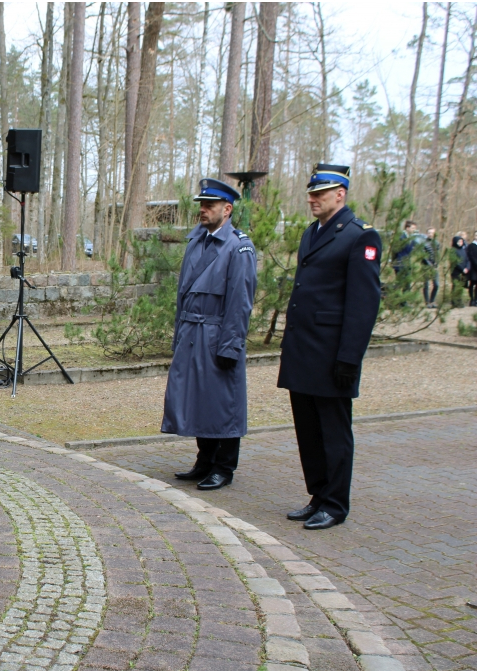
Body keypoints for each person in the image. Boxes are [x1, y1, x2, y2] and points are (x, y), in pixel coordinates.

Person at [277, 164, 382, 530]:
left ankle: (335, 504)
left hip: (332, 355)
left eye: (320, 193)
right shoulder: (312, 232)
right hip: (304, 351)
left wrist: (349, 358)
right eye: (311, 193)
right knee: (308, 431)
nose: (312, 199)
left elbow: (363, 305)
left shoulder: (359, 237)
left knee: (334, 433)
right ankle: (318, 495)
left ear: (341, 193)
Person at [163, 179, 257, 490]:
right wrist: (179, 335)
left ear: (227, 210)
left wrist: (230, 345)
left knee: (224, 403)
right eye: (201, 204)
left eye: (210, 205)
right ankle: (204, 460)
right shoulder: (197, 242)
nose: (203, 210)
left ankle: (224, 466)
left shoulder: (239, 247)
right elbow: (182, 296)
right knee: (199, 399)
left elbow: (239, 303)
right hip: (192, 332)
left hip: (218, 334)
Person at [450, 233, 470, 307]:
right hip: (456, 271)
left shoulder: (463, 250)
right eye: (459, 242)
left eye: (461, 242)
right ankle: (454, 301)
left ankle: (459, 300)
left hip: (464, 271)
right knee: (456, 286)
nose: (460, 243)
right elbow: (455, 262)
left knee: (461, 287)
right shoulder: (453, 250)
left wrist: (467, 268)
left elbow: (467, 260)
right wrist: (462, 269)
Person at [421, 227, 440, 307]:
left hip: (434, 266)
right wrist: (429, 264)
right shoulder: (424, 243)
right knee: (426, 284)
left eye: (432, 233)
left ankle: (432, 301)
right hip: (426, 266)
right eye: (429, 233)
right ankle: (427, 302)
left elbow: (437, 255)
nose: (430, 234)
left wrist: (436, 264)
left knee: (436, 284)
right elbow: (423, 255)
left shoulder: (437, 243)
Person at [467, 234, 477, 306]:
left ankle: (476, 299)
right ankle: (472, 299)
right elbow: (471, 257)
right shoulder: (471, 246)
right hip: (473, 268)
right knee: (472, 284)